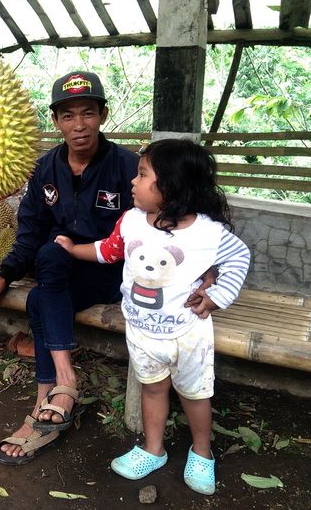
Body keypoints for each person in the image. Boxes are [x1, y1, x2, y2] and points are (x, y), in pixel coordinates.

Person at [55, 139, 251, 495]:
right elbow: (109, 250)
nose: (133, 181)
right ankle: (153, 448)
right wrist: (74, 249)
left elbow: (239, 258)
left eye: (143, 174)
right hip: (143, 334)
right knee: (154, 388)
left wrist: (217, 295)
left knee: (195, 396)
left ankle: (202, 453)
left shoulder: (207, 232)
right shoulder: (131, 221)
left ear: (172, 186)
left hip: (188, 335)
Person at [0, 71, 139, 465]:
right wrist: (5, 274)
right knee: (47, 268)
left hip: (108, 271)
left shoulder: (127, 167)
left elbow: (156, 228)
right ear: (56, 122)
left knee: (42, 291)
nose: (79, 125)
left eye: (87, 113)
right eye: (68, 116)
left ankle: (52, 393)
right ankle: (55, 393)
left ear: (102, 115)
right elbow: (30, 230)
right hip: (58, 271)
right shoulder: (44, 169)